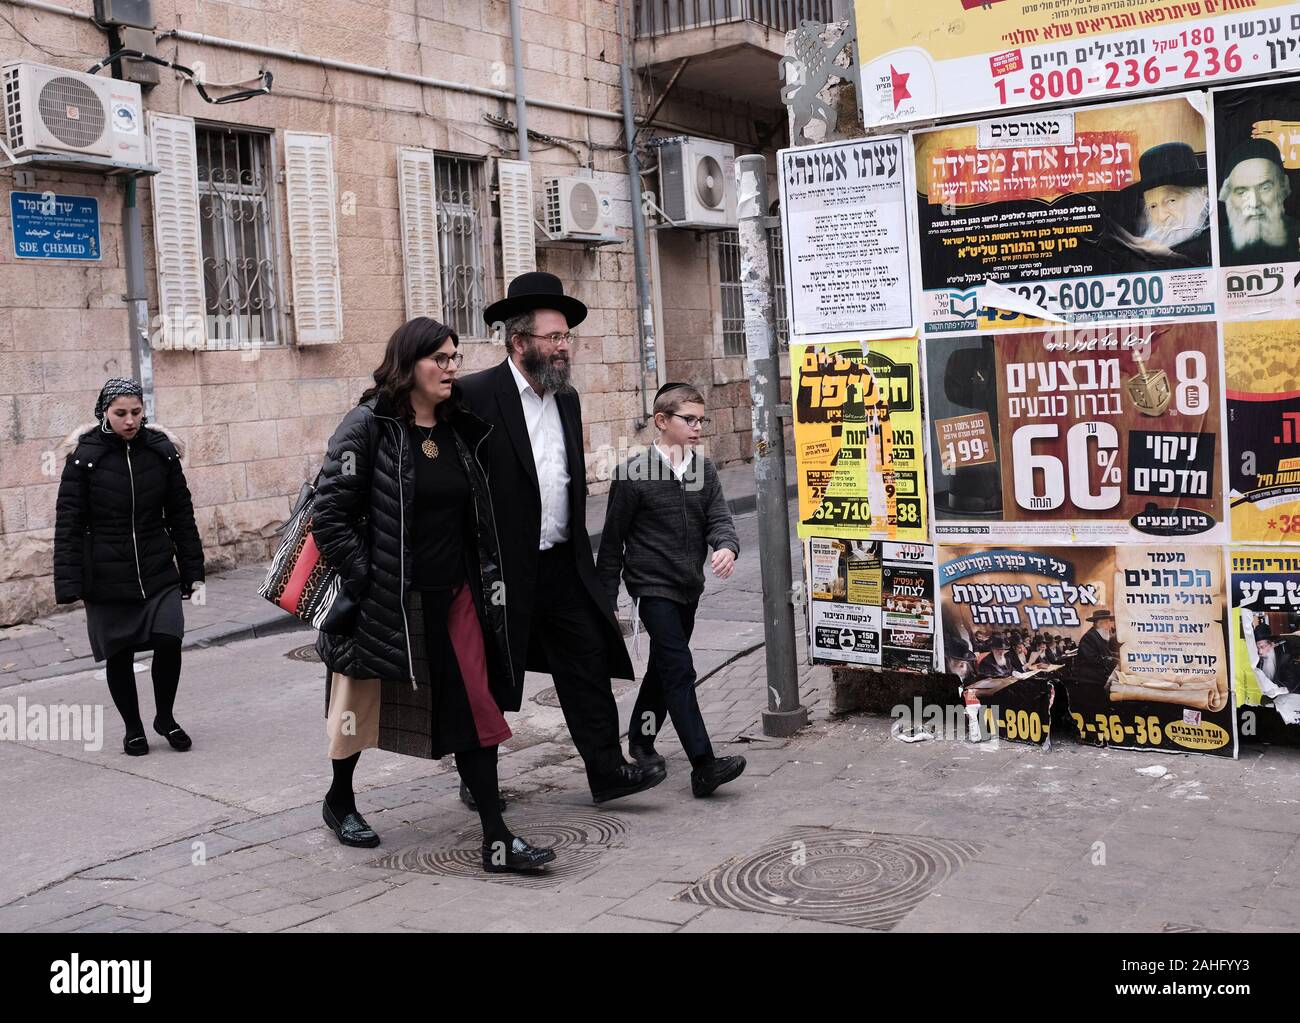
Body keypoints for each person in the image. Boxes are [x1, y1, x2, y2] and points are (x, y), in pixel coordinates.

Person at [312, 317, 554, 874]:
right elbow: (330, 515)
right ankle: (339, 799)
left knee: (476, 705)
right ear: (409, 364)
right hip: (387, 596)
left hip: (457, 594)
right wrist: (365, 577)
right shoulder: (368, 425)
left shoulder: (458, 427)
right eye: (439, 359)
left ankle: (496, 836)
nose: (450, 369)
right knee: (357, 707)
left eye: (454, 358)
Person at [459, 272, 665, 804]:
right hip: (502, 571)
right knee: (491, 678)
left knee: (587, 661)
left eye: (567, 337)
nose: (562, 346)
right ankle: (477, 782)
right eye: (553, 337)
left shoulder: (566, 398)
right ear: (519, 341)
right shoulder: (475, 395)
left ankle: (607, 772)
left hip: (561, 565)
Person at [597, 381, 745, 797]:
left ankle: (641, 740)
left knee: (665, 666)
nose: (697, 428)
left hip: (689, 587)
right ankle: (704, 765)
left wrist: (727, 548)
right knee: (680, 668)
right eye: (689, 419)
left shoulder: (705, 470)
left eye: (702, 420)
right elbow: (611, 544)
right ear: (662, 421)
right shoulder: (632, 475)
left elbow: (719, 518)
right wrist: (606, 602)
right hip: (652, 586)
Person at [53, 378, 204, 756]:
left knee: (169, 640)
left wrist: (193, 572)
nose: (130, 420)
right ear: (104, 412)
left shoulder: (161, 452)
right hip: (105, 574)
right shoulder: (85, 457)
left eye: (136, 412)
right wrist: (68, 581)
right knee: (119, 653)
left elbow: (181, 515)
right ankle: (133, 728)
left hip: (157, 567)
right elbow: (68, 522)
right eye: (121, 413)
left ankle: (164, 718)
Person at [1111, 142, 1212, 267]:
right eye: (1153, 206)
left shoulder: (1220, 240)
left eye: (1171, 201)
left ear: (1202, 195)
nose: (1161, 216)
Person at [1218, 138, 1300, 266]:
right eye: (1242, 192)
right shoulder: (1213, 244)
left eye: (1264, 188)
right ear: (1228, 196)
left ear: (1283, 187)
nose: (1255, 203)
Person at [1073, 610, 1119, 685]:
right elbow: (1094, 660)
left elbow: (1107, 653)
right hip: (1089, 677)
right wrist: (1113, 660)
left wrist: (1119, 655)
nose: (1109, 625)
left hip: (1098, 672)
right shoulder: (1089, 637)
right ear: (1099, 624)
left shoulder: (1100, 635)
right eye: (1107, 622)